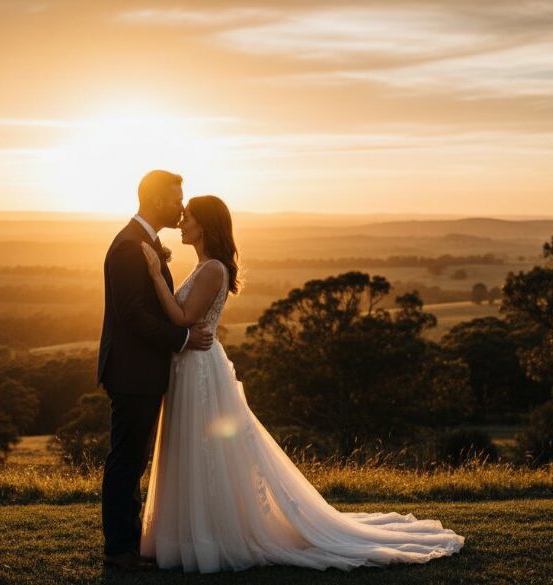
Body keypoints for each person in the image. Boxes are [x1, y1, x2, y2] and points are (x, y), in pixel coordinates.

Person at [137, 194, 465, 573]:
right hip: (189, 365)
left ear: (205, 226)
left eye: (188, 218)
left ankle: (210, 534)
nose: (182, 223)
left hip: (199, 370)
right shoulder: (204, 266)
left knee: (204, 450)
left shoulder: (212, 269)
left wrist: (152, 273)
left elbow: (181, 317)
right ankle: (191, 532)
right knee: (193, 449)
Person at [97, 170, 214, 571]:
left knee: (133, 458)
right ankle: (119, 550)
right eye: (176, 198)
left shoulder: (144, 241)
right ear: (156, 200)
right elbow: (131, 316)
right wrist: (181, 341)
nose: (181, 207)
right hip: (132, 371)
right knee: (127, 459)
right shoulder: (131, 246)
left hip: (142, 370)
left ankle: (127, 544)